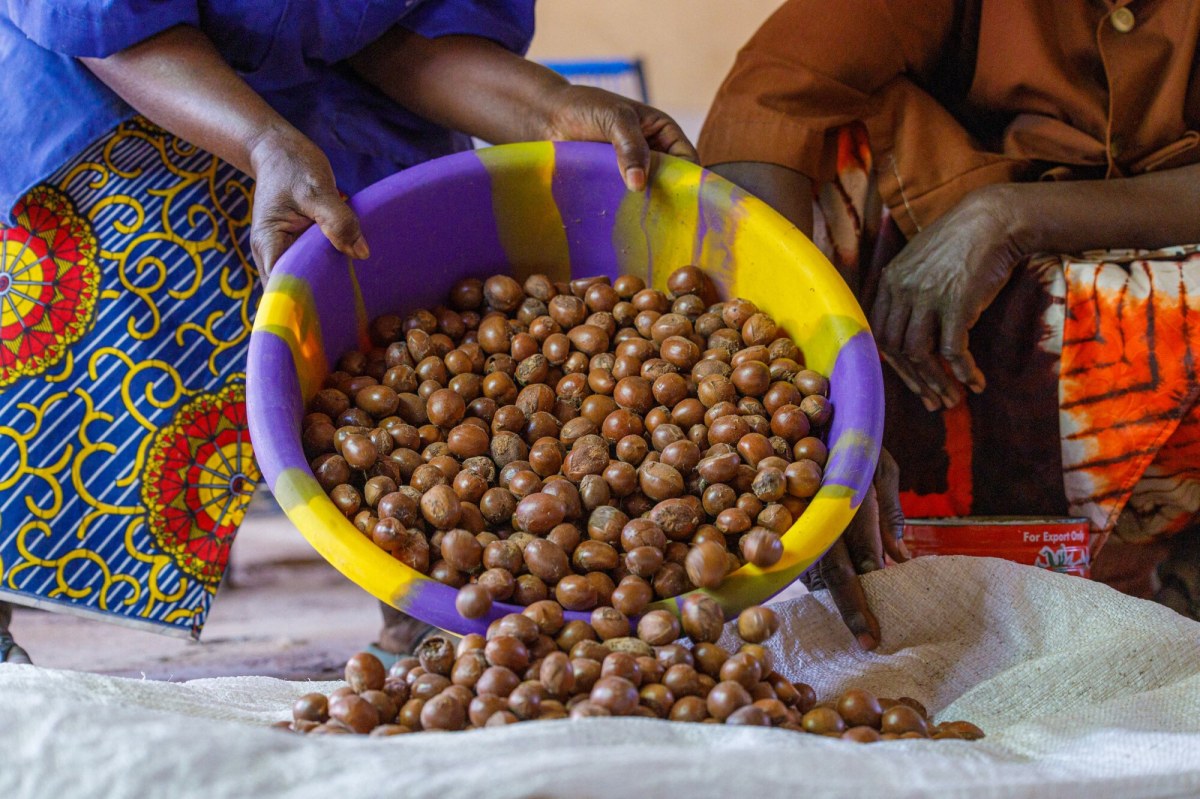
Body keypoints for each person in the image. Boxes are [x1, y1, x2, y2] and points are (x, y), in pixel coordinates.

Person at [0, 1, 697, 664]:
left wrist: (548, 106)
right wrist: (264, 141)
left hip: (342, 107)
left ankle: (429, 594)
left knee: (401, 313)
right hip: (122, 84)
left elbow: (406, 41)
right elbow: (109, 23)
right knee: (131, 274)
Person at [699, 0, 1200, 641]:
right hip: (926, 232)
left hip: (1152, 260)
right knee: (816, 163)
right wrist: (809, 400)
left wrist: (1012, 218)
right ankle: (893, 556)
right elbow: (769, 101)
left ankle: (1162, 584)